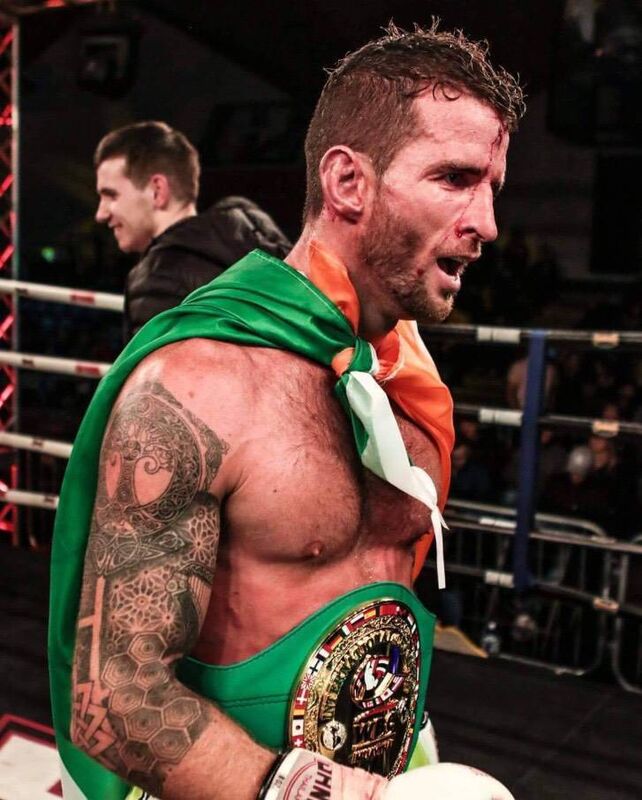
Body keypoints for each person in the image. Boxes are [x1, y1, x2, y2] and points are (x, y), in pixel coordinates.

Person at [49, 21, 525, 800]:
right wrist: (336, 794)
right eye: (454, 179)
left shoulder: (404, 370)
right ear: (348, 183)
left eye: (491, 188)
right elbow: (118, 703)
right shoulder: (201, 386)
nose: (487, 224)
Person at [94, 121, 291, 340]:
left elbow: (163, 374)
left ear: (157, 190)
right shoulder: (251, 230)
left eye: (111, 195)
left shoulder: (157, 277)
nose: (101, 214)